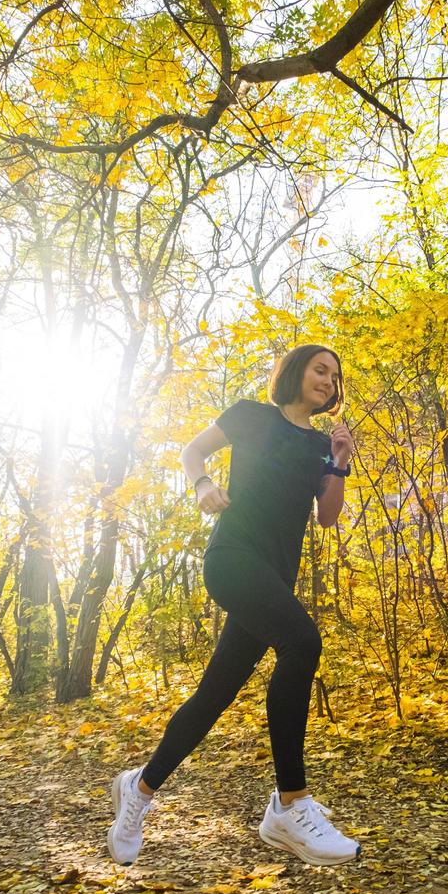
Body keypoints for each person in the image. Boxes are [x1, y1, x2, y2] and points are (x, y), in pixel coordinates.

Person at [106, 344, 361, 867]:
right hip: (233, 558)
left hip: (274, 578)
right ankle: (289, 804)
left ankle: (140, 787)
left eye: (335, 377)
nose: (328, 381)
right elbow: (192, 451)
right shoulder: (250, 415)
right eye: (320, 369)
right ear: (295, 372)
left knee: (214, 694)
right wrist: (202, 484)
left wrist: (338, 464)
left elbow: (328, 518)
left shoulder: (319, 445)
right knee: (303, 641)